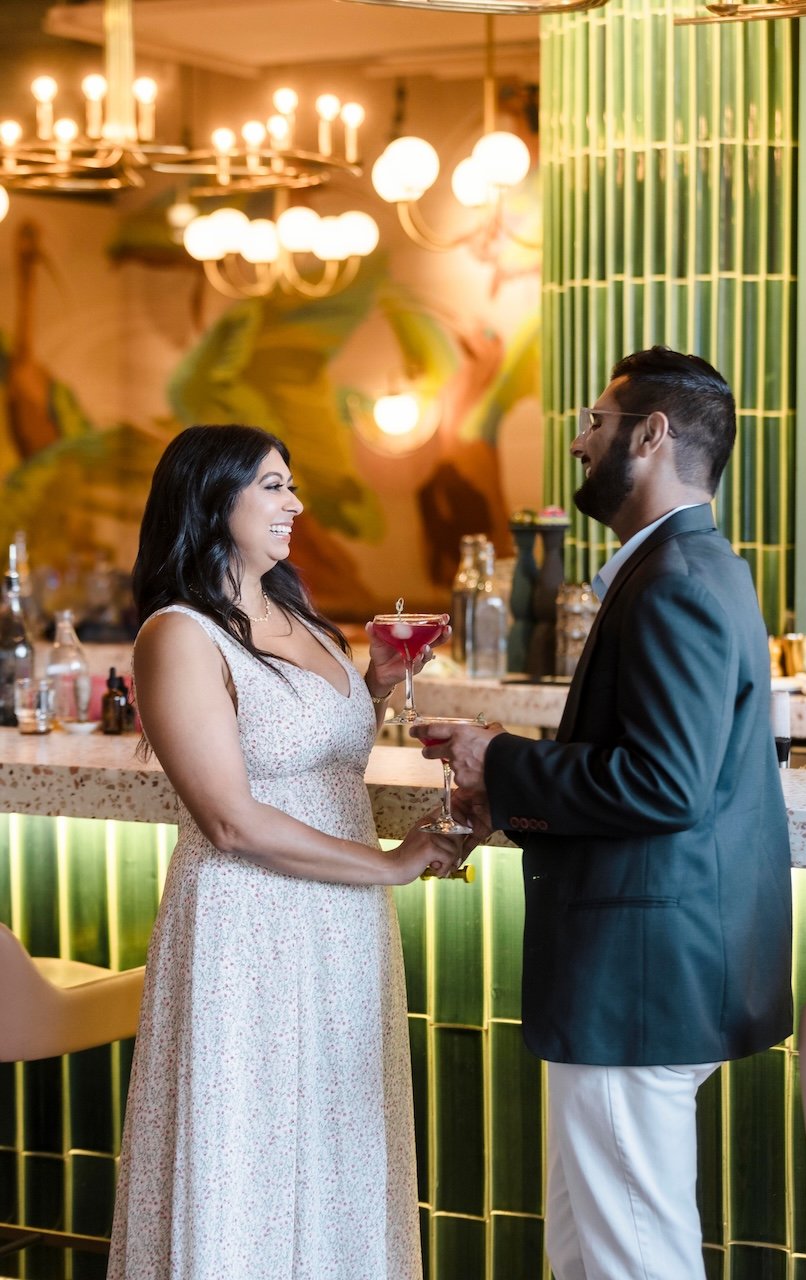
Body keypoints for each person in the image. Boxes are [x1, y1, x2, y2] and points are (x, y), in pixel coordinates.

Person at [414, 347, 793, 1280]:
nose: (580, 442)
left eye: (594, 422)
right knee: (589, 1250)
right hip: (646, 980)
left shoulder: (675, 582)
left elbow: (665, 786)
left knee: (631, 1256)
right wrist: (508, 766)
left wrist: (498, 762)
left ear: (651, 434)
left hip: (641, 983)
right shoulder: (685, 568)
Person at [107, 423, 457, 1280]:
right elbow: (229, 818)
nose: (294, 503)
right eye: (272, 485)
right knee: (249, 1153)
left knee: (336, 1149)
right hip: (247, 923)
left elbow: (317, 755)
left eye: (290, 484)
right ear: (211, 497)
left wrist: (372, 682)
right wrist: (389, 860)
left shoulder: (299, 613)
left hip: (337, 923)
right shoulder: (177, 635)